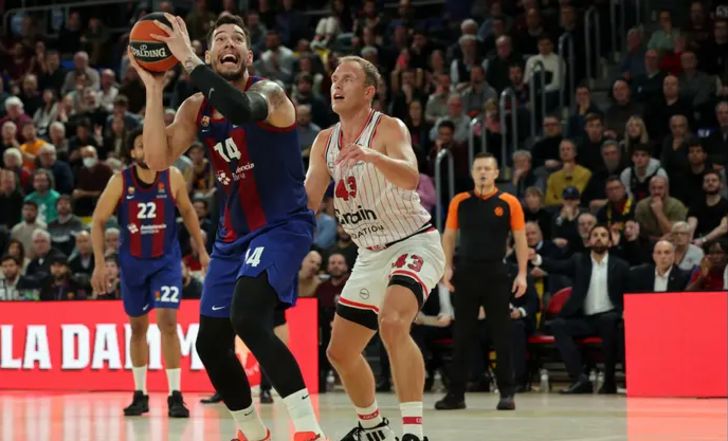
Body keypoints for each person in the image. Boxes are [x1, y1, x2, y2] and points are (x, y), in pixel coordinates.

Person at [132, 13, 325, 441]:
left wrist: (187, 59)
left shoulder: (270, 93)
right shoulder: (195, 108)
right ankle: (253, 433)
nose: (229, 44)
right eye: (220, 39)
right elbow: (157, 159)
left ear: (249, 56)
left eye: (237, 39)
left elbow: (239, 110)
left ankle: (309, 431)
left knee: (249, 318)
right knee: (210, 345)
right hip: (232, 238)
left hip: (281, 226)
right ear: (211, 54)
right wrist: (154, 89)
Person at [305, 55, 445, 441]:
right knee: (339, 352)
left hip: (413, 240)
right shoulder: (324, 141)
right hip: (370, 253)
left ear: (368, 92)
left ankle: (414, 432)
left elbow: (411, 177)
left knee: (394, 322)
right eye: (334, 78)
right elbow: (308, 203)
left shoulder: (388, 128)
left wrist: (372, 155)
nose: (336, 84)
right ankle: (373, 427)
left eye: (347, 79)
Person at [90, 128, 209, 419]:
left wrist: (202, 249)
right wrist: (99, 263)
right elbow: (98, 220)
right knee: (137, 327)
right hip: (133, 262)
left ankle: (175, 394)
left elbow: (188, 211)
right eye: (140, 145)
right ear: (132, 152)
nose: (146, 149)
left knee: (168, 321)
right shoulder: (120, 180)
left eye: (150, 143)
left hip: (165, 261)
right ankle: (140, 393)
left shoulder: (172, 176)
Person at [434, 152, 528, 411]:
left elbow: (520, 239)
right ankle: (456, 395)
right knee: (462, 335)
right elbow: (449, 236)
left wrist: (522, 273)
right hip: (466, 272)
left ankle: (507, 393)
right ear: (473, 173)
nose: (483, 172)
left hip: (496, 273)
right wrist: (446, 266)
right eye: (479, 169)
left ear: (496, 173)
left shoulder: (509, 202)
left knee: (502, 334)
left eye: (488, 168)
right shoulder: (460, 201)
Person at [529, 224, 630, 394]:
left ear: (610, 242)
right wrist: (536, 258)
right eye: (595, 235)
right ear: (588, 241)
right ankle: (580, 378)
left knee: (608, 321)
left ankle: (609, 381)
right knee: (558, 325)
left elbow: (629, 292)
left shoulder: (621, 265)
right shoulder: (579, 261)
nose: (599, 238)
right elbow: (557, 266)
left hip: (610, 318)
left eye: (603, 235)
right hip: (585, 319)